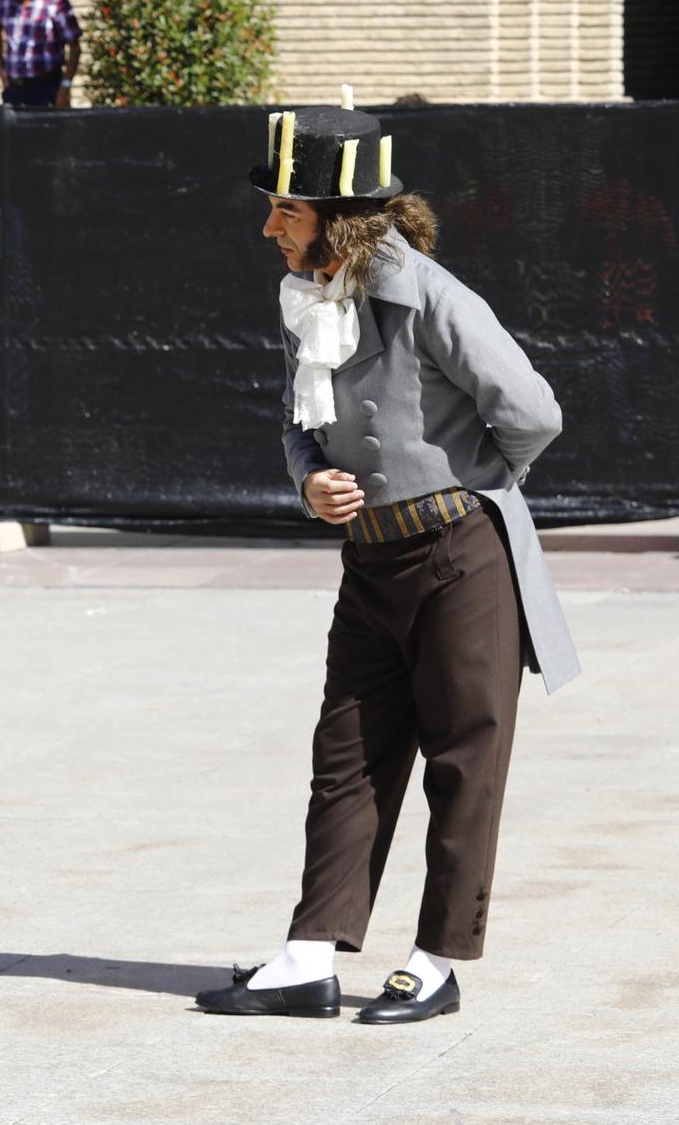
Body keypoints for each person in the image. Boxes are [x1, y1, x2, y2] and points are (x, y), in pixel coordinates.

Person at [196, 98, 579, 1023]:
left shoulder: (433, 295)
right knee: (349, 754)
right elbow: (300, 422)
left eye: (285, 209)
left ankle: (438, 960)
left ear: (340, 216)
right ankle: (308, 955)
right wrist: (311, 481)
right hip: (369, 562)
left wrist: (476, 485)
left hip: (462, 554)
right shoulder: (311, 298)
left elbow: (534, 412)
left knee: (462, 758)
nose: (268, 225)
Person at [0, 0, 80, 109]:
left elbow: (75, 47)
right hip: (15, 88)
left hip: (46, 86)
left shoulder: (55, 1)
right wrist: (1, 71)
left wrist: (65, 87)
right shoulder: (6, 2)